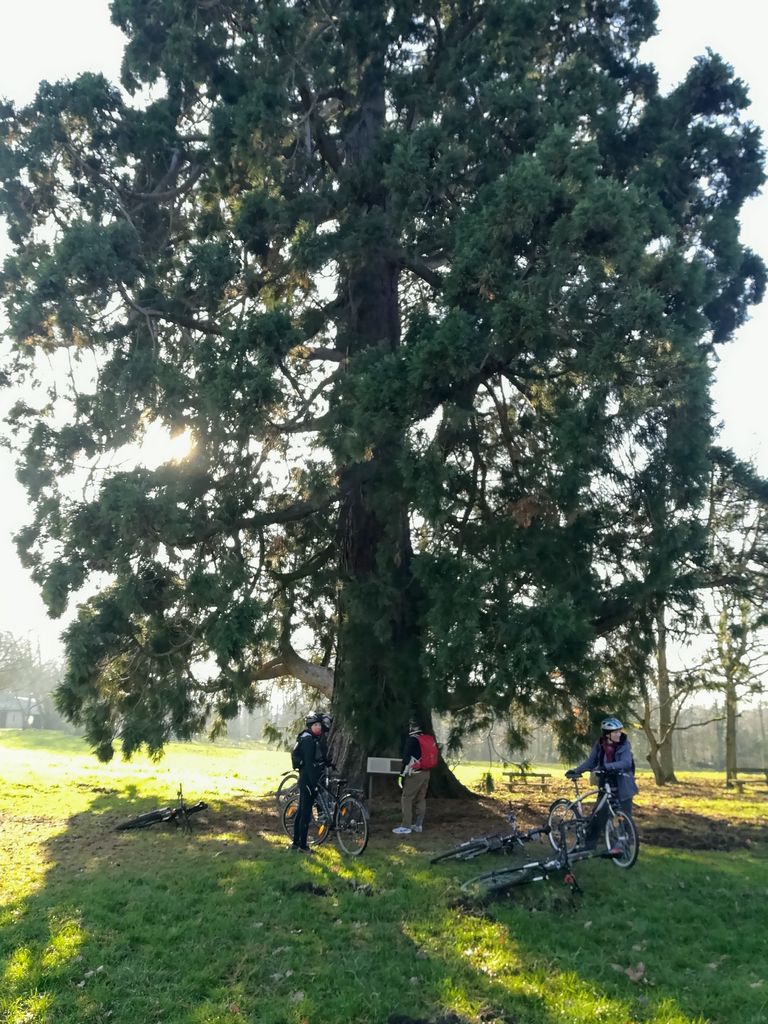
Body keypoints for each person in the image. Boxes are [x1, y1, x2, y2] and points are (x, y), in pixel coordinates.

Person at [565, 716, 638, 849]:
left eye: (619, 731)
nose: (619, 734)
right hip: (606, 782)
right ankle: (589, 845)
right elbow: (591, 761)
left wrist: (607, 767)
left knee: (623, 816)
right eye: (615, 732)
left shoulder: (624, 744)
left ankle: (623, 847)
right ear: (607, 734)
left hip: (623, 784)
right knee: (599, 815)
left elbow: (626, 762)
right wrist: (577, 770)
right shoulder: (600, 745)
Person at [289, 711, 330, 853]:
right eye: (316, 725)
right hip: (307, 780)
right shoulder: (308, 740)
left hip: (307, 779)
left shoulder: (311, 738)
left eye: (319, 725)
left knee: (301, 811)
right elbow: (309, 764)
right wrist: (314, 784)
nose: (318, 727)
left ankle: (296, 843)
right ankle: (302, 846)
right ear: (310, 726)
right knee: (305, 813)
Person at [392, 717, 438, 835]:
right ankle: (418, 825)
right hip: (426, 772)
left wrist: (402, 775)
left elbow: (406, 759)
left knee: (406, 798)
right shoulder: (427, 738)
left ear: (411, 728)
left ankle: (406, 826)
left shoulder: (412, 740)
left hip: (415, 774)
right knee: (421, 798)